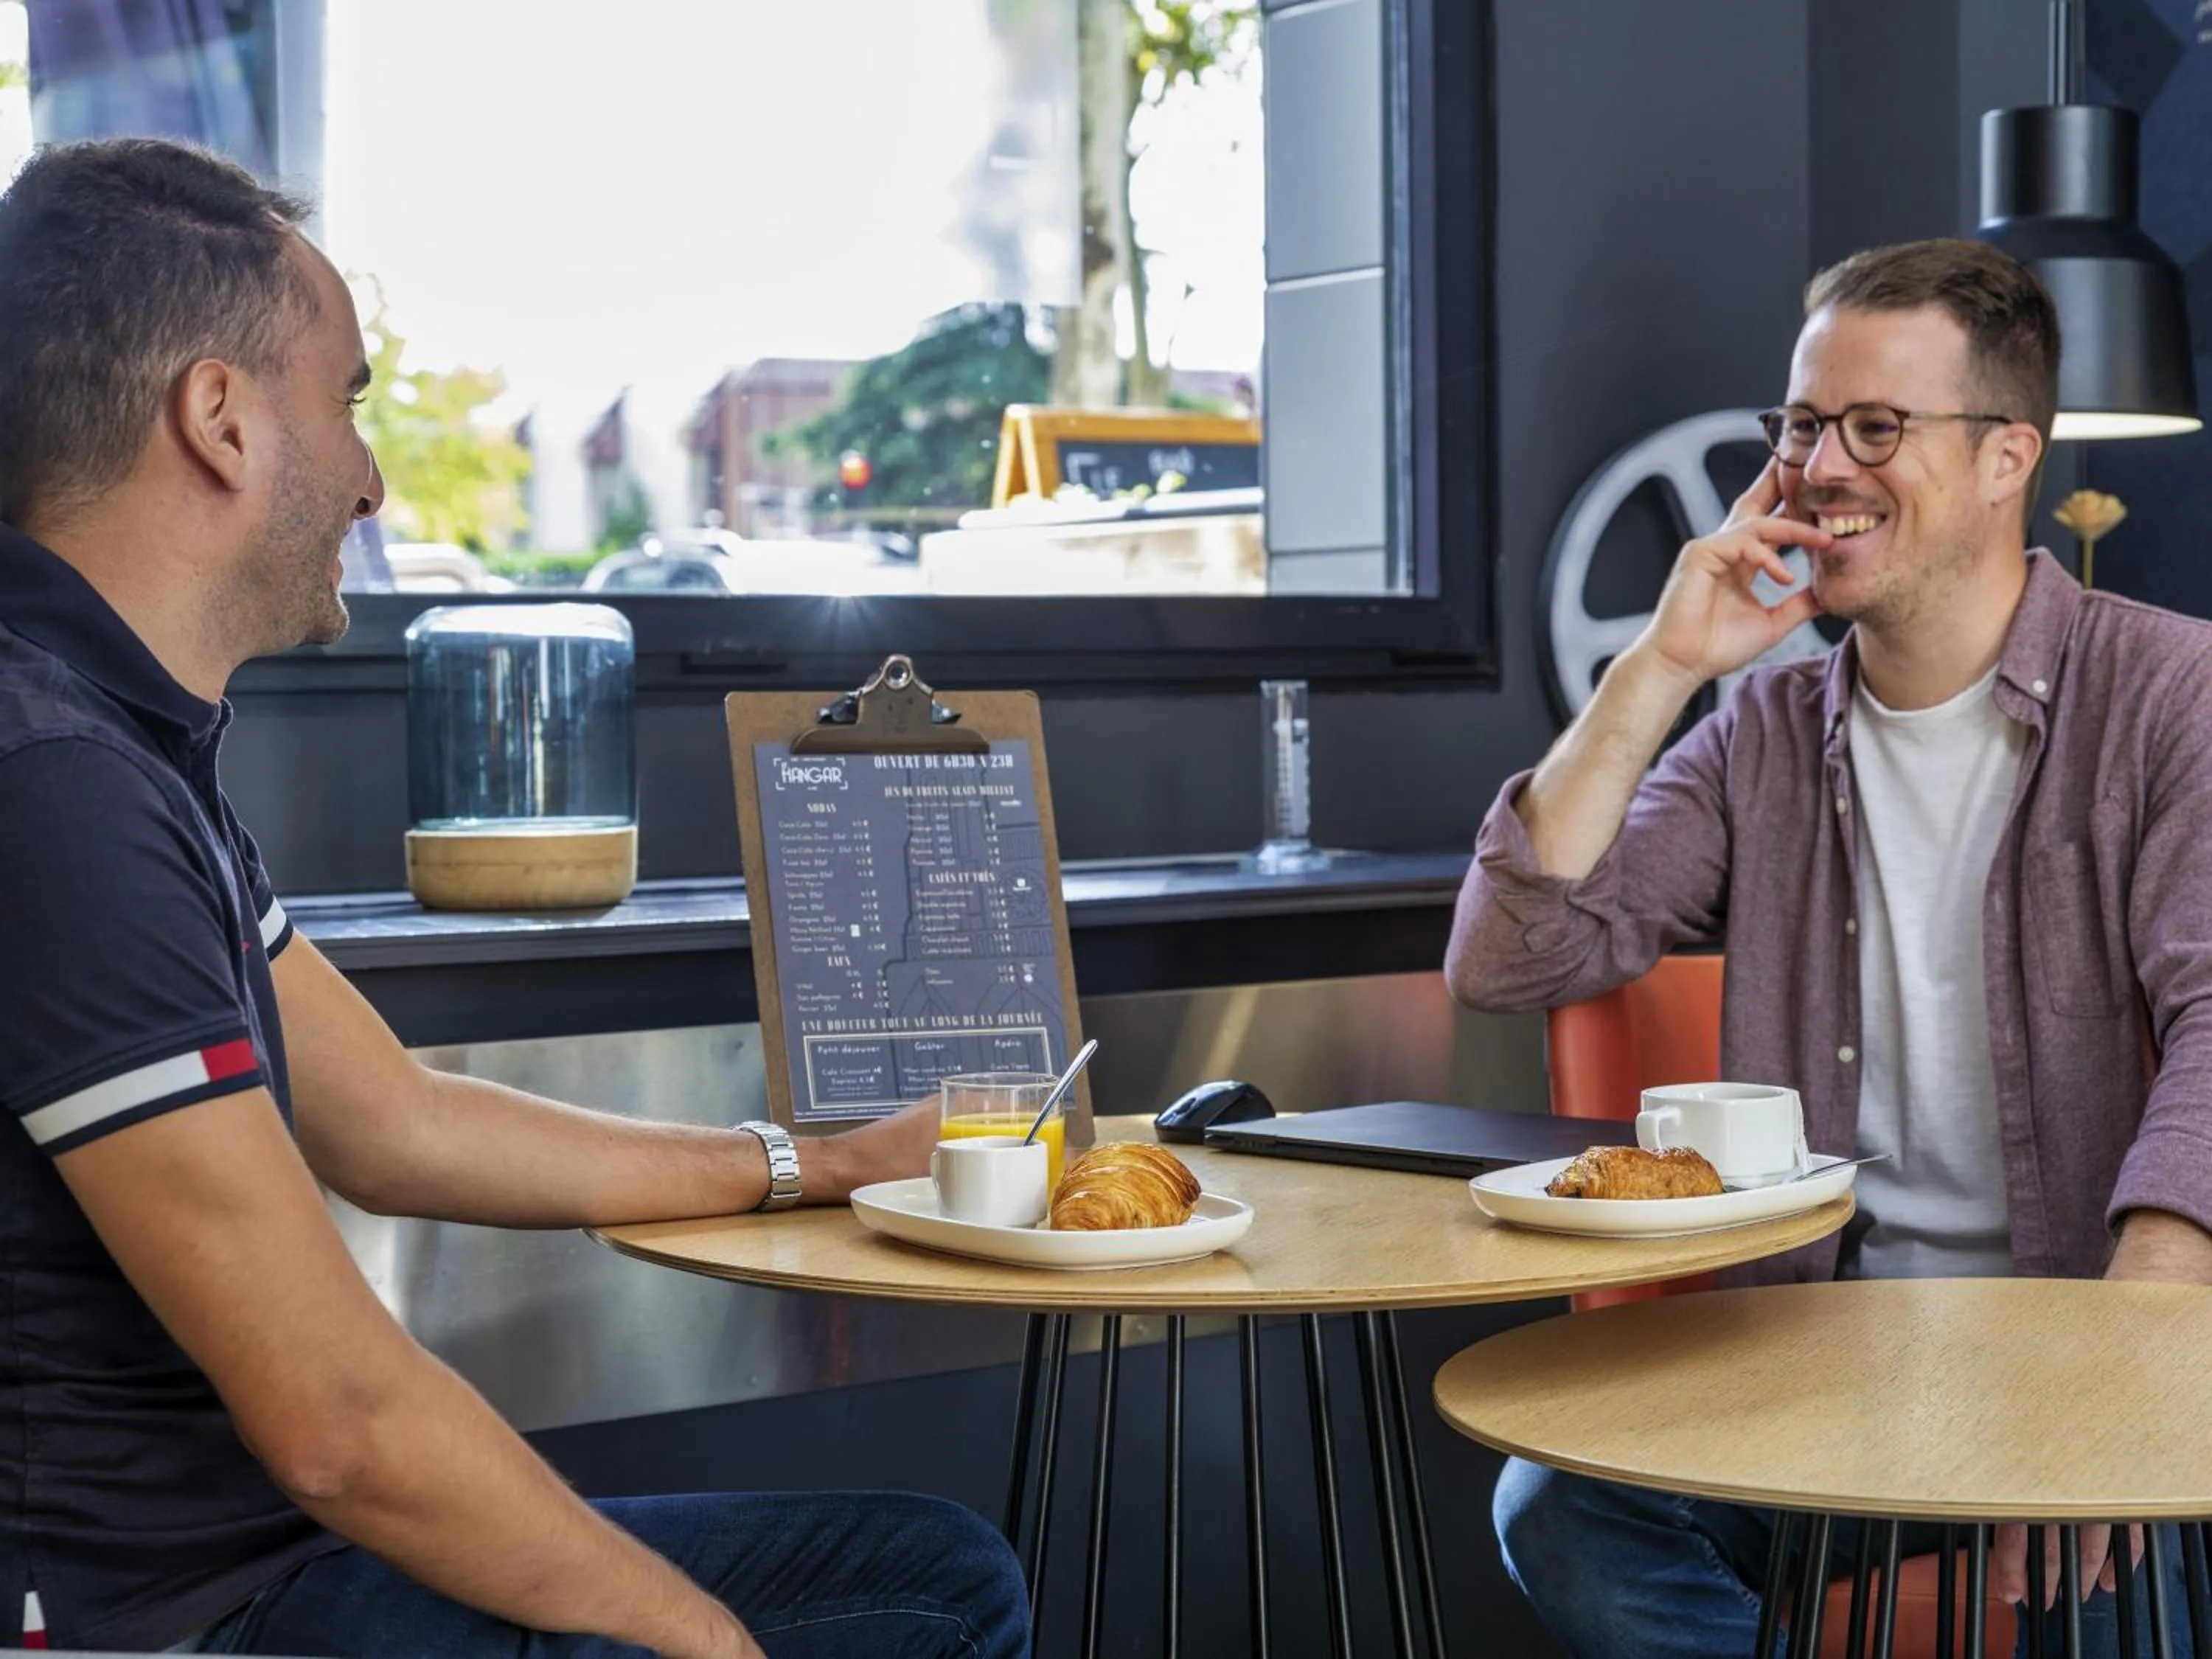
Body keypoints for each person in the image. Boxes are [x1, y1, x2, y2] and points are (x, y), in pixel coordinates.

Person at [0, 139, 1028, 1658]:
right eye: (346, 400)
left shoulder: (123, 742)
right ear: (219, 420)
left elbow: (393, 1122)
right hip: (159, 1619)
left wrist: (811, 1160)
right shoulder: (57, 782)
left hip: (242, 1561)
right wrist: (706, 1647)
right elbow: (342, 1425)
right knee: (901, 1613)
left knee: (934, 1578)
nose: (372, 476)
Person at [1447, 237, 2212, 1658]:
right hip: (1833, 1354)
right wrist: (1664, 663)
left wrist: (2136, 1360)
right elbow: (1510, 956)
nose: (1822, 466)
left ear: (2006, 459)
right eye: (1802, 425)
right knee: (1559, 1503)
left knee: (2116, 1607)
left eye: (1877, 426)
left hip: (2082, 1347)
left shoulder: (2173, 694)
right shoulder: (1763, 738)